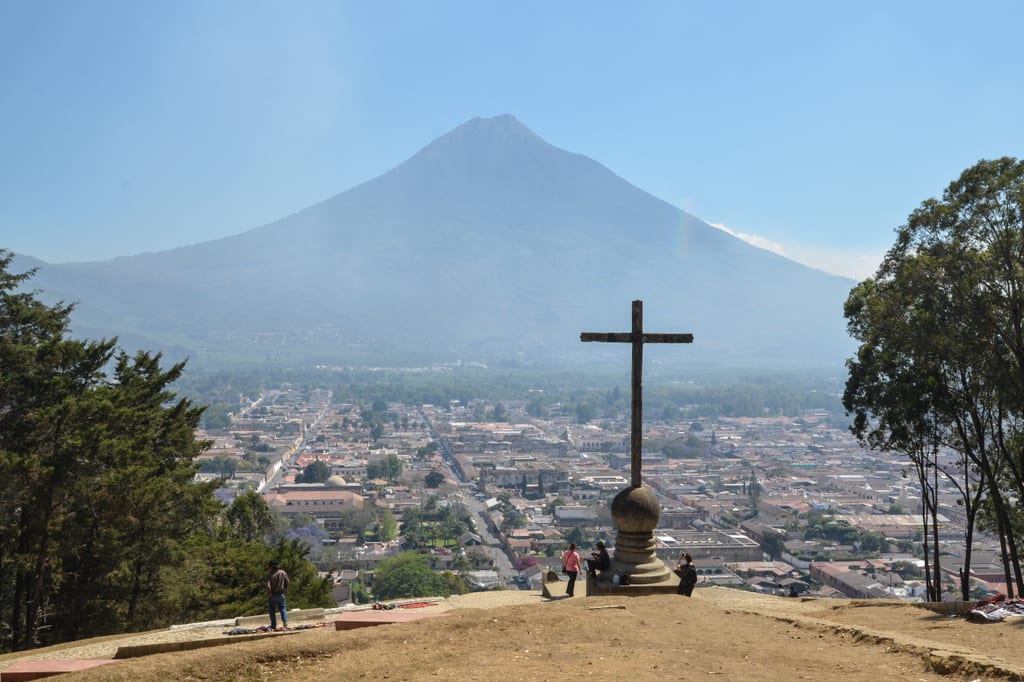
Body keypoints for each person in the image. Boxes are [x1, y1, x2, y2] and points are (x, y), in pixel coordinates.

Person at [266, 560, 290, 630]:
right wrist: (285, 589)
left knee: (272, 610)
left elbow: (268, 585)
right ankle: (285, 623)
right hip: (281, 594)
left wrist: (269, 593)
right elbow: (287, 581)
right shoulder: (283, 572)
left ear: (271, 567)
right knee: (283, 608)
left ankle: (273, 625)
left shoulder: (270, 574)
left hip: (273, 594)